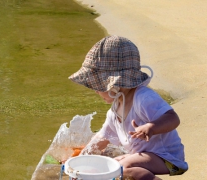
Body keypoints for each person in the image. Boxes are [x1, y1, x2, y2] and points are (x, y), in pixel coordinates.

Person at [68, 35, 188, 180]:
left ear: (115, 84)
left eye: (99, 86)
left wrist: (152, 127)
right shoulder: (115, 109)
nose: (96, 91)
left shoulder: (143, 98)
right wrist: (81, 159)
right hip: (146, 155)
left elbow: (173, 118)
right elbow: (102, 137)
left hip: (167, 157)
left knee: (124, 168)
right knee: (112, 163)